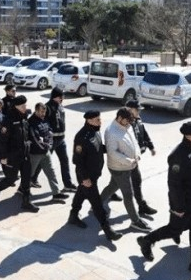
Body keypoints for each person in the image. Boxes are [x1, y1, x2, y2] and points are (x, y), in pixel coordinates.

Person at [137, 121, 191, 280]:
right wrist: (178, 208)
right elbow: (174, 185)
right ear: (189, 136)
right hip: (184, 204)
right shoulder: (178, 156)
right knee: (174, 230)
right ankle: (147, 240)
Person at [65, 110, 122, 241]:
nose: (100, 122)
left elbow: (98, 147)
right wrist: (85, 179)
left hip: (94, 175)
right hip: (86, 176)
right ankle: (108, 230)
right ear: (89, 120)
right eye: (97, 120)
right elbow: (77, 161)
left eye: (99, 119)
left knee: (80, 194)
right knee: (97, 203)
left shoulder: (95, 131)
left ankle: (73, 216)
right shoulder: (81, 137)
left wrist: (110, 149)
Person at [101, 108, 149, 232]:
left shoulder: (127, 126)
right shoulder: (111, 132)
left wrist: (137, 153)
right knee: (128, 194)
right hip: (119, 168)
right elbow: (112, 153)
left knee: (113, 186)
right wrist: (129, 160)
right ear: (120, 118)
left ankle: (98, 203)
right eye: (127, 121)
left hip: (130, 165)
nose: (129, 124)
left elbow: (134, 141)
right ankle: (135, 221)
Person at [0, 96, 36, 211]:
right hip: (12, 155)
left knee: (26, 178)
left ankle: (26, 202)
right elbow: (2, 140)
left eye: (25, 105)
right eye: (22, 106)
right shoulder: (8, 120)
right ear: (16, 107)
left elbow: (27, 134)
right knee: (11, 178)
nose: (25, 107)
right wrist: (3, 157)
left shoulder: (24, 117)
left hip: (24, 154)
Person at [28, 102, 68, 202]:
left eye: (44, 112)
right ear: (36, 110)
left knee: (51, 172)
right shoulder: (31, 122)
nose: (43, 114)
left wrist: (49, 144)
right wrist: (47, 146)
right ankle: (23, 189)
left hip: (45, 152)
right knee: (29, 174)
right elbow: (35, 139)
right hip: (35, 153)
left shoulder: (44, 119)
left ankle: (56, 193)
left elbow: (49, 131)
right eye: (41, 112)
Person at [121, 100, 156, 215]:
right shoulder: (124, 122)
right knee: (134, 181)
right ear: (130, 109)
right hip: (127, 159)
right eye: (137, 109)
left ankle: (141, 206)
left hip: (135, 157)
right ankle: (141, 206)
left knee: (118, 182)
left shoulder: (138, 120)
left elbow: (144, 133)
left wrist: (151, 146)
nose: (139, 111)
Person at [45, 87, 76, 192]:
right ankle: (30, 180)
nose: (63, 97)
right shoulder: (47, 107)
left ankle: (67, 184)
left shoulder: (60, 106)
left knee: (64, 161)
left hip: (61, 140)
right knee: (43, 162)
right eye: (62, 95)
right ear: (56, 96)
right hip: (52, 140)